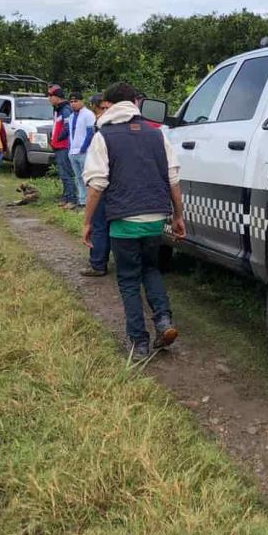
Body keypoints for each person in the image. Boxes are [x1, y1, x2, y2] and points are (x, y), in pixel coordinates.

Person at [82, 82, 186, 359]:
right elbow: (173, 179)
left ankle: (139, 342)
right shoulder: (157, 135)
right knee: (151, 270)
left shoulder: (104, 136)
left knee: (128, 279)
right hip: (155, 218)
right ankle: (163, 321)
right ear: (136, 103)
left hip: (123, 220)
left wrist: (87, 221)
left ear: (110, 105)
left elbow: (97, 185)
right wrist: (178, 216)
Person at [82, 93, 112, 277]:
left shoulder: (101, 130)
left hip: (103, 184)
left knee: (99, 224)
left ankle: (98, 263)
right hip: (119, 186)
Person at [48, 84, 77, 209]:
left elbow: (67, 127)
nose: (49, 98)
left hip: (63, 146)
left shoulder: (65, 109)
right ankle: (66, 197)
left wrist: (59, 138)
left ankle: (72, 199)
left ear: (57, 97)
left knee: (66, 174)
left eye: (50, 96)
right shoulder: (57, 109)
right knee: (63, 173)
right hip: (58, 145)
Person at [67, 92, 97, 209]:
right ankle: (82, 200)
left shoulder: (88, 114)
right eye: (71, 102)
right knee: (78, 177)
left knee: (87, 177)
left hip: (84, 152)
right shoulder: (71, 116)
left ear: (81, 101)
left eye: (76, 101)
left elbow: (90, 133)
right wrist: (70, 148)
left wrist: (83, 148)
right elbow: (70, 133)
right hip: (73, 151)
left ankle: (89, 202)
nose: (73, 104)